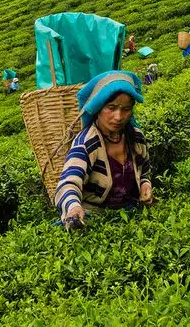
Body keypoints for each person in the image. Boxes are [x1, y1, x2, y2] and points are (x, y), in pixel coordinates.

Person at [54, 71, 153, 230]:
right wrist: (73, 207)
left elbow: (145, 173)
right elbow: (68, 183)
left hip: (131, 214)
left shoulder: (137, 138)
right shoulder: (86, 143)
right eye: (111, 107)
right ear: (98, 108)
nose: (118, 117)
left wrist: (145, 185)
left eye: (126, 109)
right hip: (95, 218)